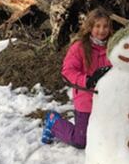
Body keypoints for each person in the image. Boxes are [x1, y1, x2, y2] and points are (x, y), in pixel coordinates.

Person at [43, 8, 113, 148]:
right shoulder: (80, 46)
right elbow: (68, 71)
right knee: (81, 141)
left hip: (108, 99)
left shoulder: (114, 46)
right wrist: (87, 80)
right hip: (86, 99)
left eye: (105, 26)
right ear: (90, 27)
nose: (101, 30)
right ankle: (53, 122)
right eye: (97, 26)